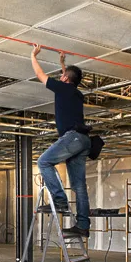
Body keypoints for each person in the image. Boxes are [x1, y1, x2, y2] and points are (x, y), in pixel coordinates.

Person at [30, 44, 91, 237]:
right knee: (79, 185)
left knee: (43, 161)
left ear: (65, 79)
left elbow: (41, 75)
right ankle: (82, 225)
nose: (61, 77)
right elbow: (67, 78)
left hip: (72, 137)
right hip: (83, 140)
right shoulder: (75, 93)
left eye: (62, 75)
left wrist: (33, 56)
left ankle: (60, 200)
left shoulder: (63, 88)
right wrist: (62, 63)